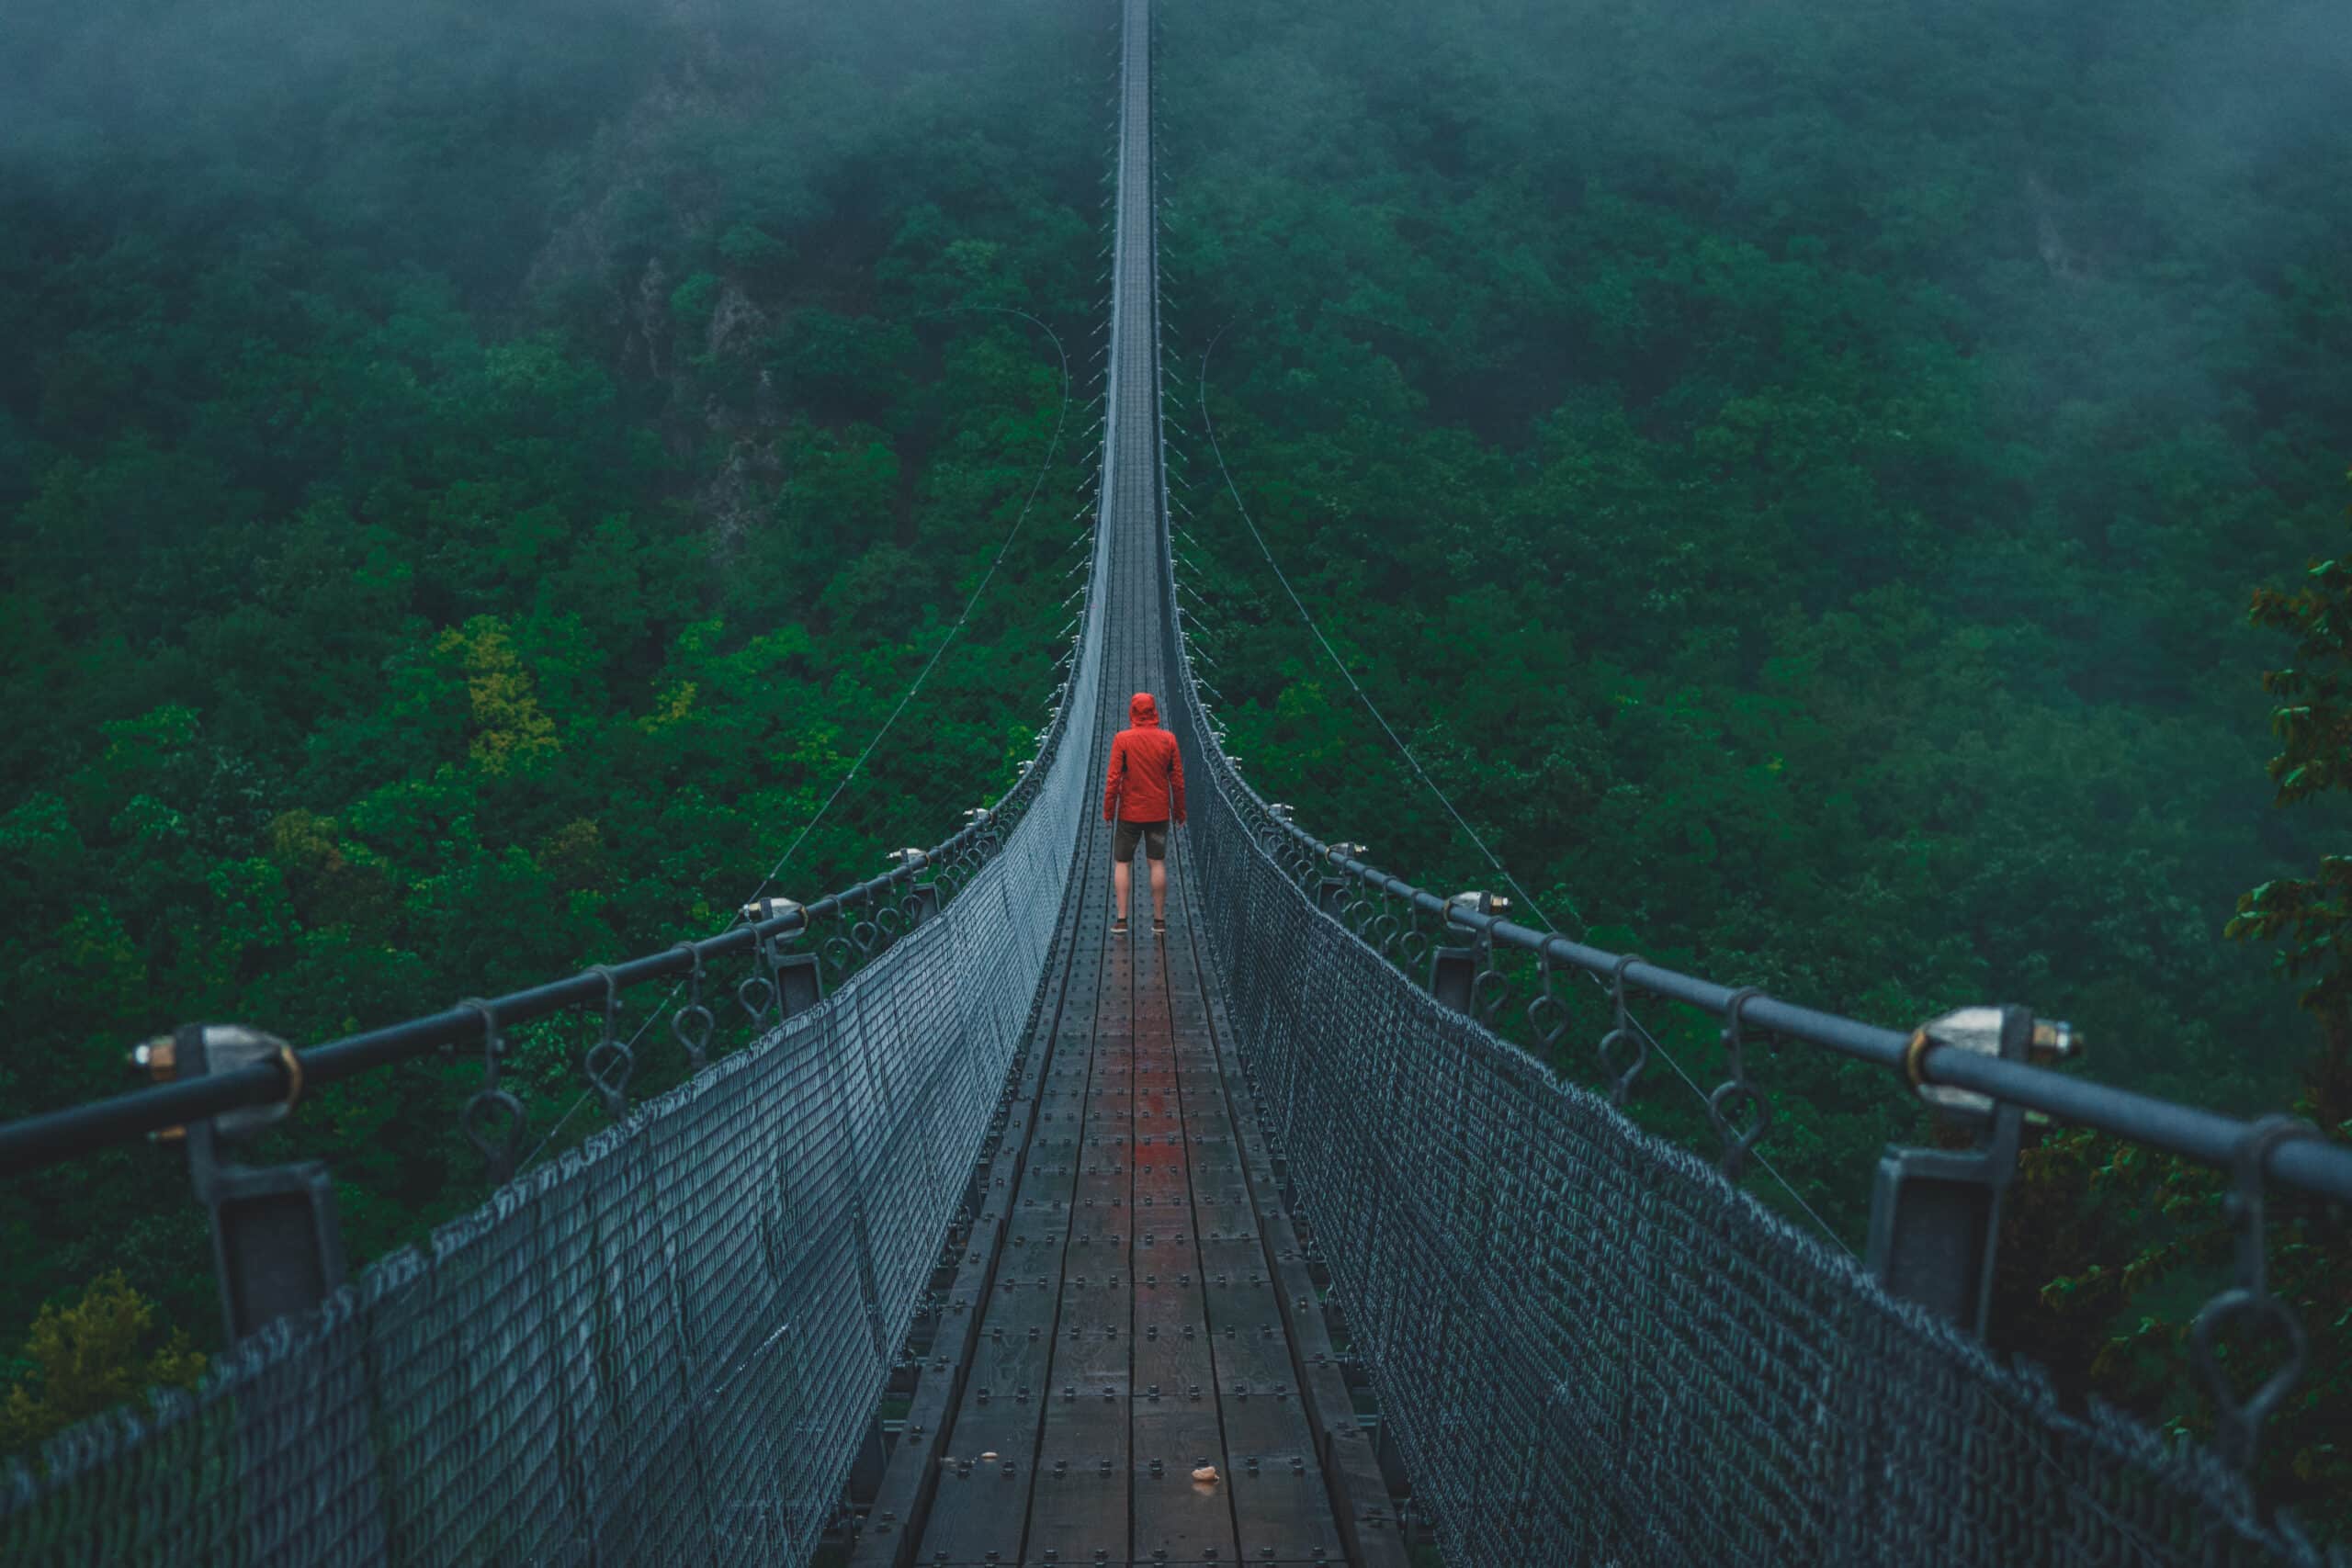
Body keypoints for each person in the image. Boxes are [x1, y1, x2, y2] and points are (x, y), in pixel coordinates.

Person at [1102, 691, 1185, 935]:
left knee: (1122, 863)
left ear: (1132, 712)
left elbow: (1113, 779)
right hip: (1159, 812)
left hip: (1129, 813)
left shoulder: (1122, 739)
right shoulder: (1168, 740)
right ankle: (1159, 922)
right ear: (1153, 711)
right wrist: (1180, 810)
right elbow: (1177, 780)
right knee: (1157, 862)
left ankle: (1121, 920)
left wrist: (1109, 810)